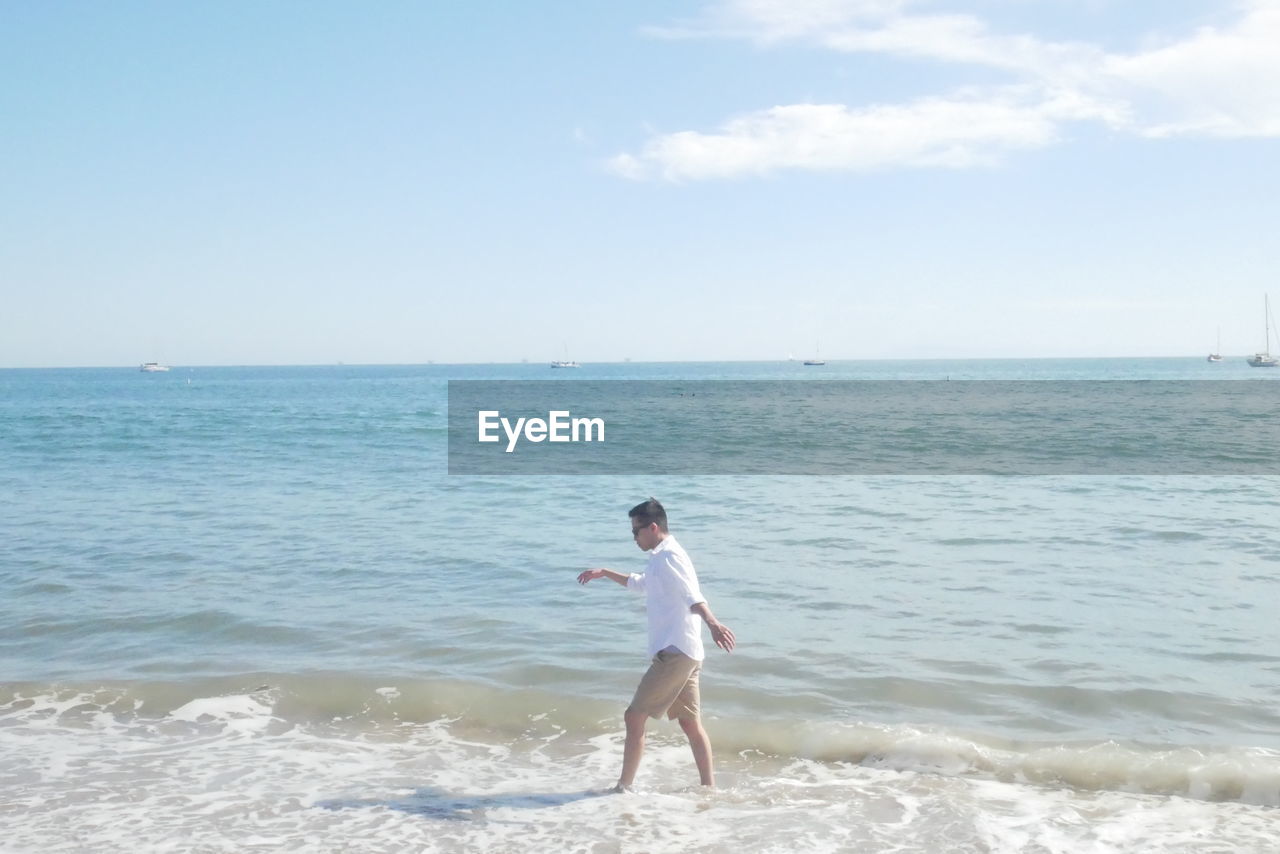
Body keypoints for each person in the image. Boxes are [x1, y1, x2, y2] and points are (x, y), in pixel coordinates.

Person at [577, 498, 736, 791]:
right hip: (686, 652)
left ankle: (622, 788)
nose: (633, 538)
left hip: (675, 653)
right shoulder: (660, 557)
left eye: (636, 532)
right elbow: (640, 584)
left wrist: (713, 623)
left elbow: (692, 595)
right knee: (690, 724)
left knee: (634, 716)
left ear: (653, 527)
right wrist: (605, 572)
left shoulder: (669, 557)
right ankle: (709, 788)